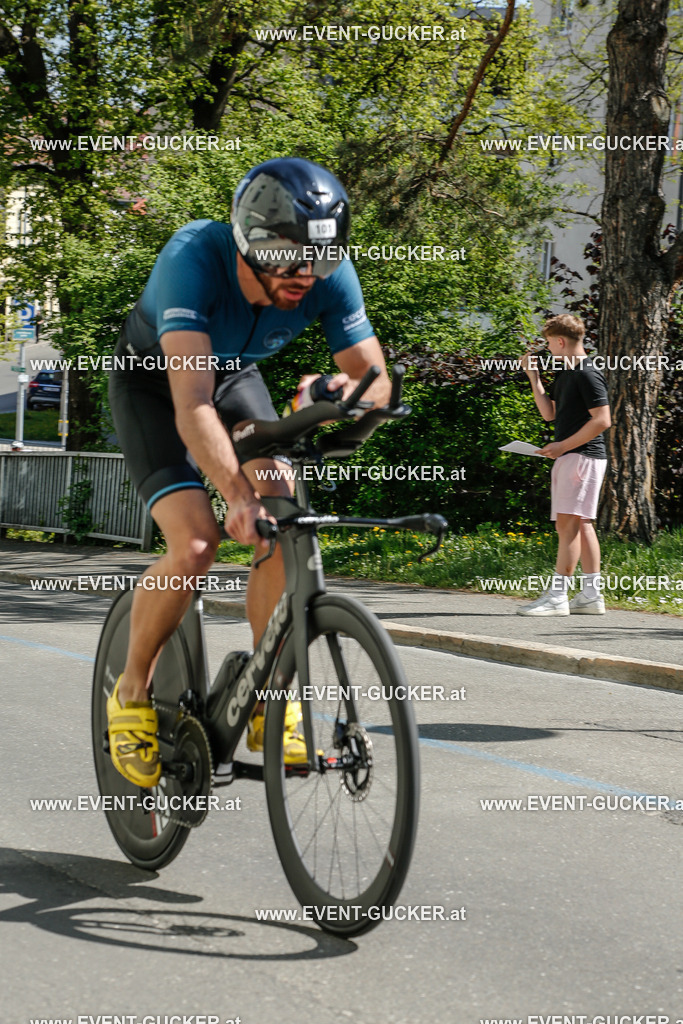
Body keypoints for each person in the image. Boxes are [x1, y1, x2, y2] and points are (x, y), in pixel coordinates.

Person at [106, 157, 391, 787]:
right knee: (199, 542)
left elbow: (378, 381)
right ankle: (130, 690)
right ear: (249, 241)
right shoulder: (193, 257)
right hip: (160, 387)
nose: (306, 277)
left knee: (282, 511)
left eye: (320, 259)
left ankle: (269, 696)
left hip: (232, 376)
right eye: (290, 259)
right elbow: (192, 405)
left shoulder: (329, 274)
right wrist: (234, 494)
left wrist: (348, 392)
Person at [517, 314, 611, 617]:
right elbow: (550, 414)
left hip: (581, 457)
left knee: (567, 525)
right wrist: (535, 378)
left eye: (548, 343)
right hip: (573, 456)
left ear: (560, 341)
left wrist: (562, 446)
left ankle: (558, 597)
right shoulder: (567, 374)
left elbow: (602, 420)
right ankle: (590, 596)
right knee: (581, 524)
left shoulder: (587, 373)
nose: (549, 349)